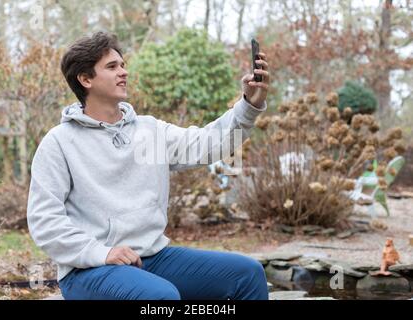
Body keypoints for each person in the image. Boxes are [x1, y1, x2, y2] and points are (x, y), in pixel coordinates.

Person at [27, 31, 271, 300]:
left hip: (153, 257)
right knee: (160, 297)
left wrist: (250, 104)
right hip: (89, 269)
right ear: (85, 79)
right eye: (111, 67)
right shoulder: (60, 143)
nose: (123, 72)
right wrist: (102, 252)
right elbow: (44, 221)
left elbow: (209, 144)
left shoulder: (149, 131)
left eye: (122, 65)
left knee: (247, 273)